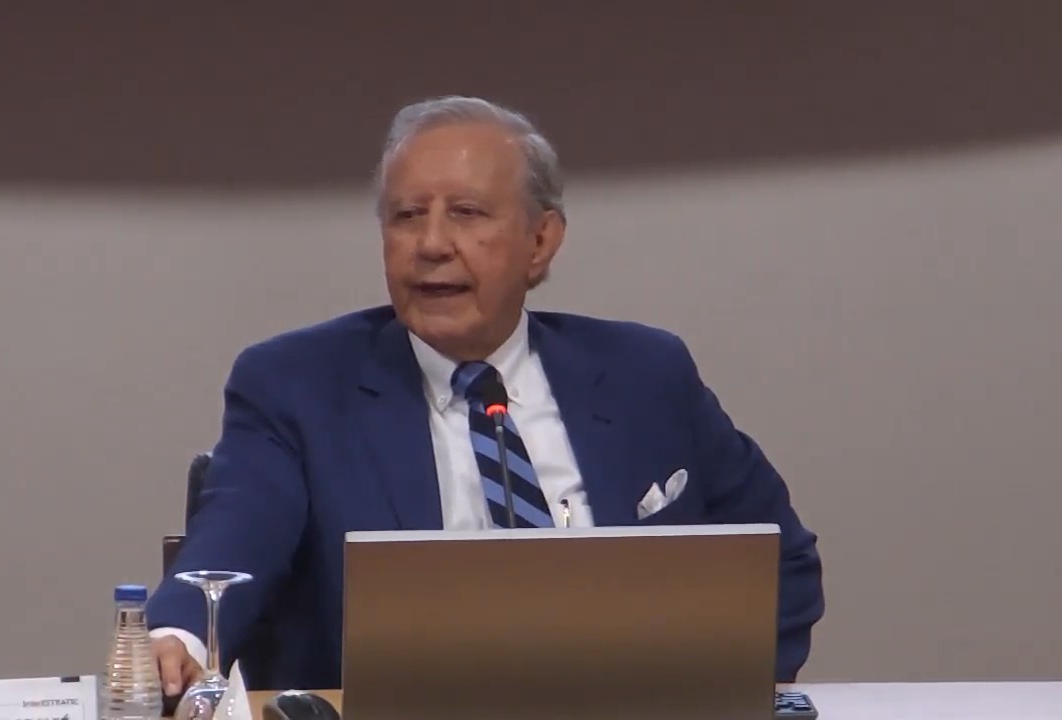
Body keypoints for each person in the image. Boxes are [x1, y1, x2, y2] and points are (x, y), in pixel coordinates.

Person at [145, 95, 824, 694]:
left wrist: (727, 693)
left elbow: (777, 560)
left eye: (466, 214)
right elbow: (238, 534)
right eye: (407, 216)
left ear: (540, 241)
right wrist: (179, 638)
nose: (431, 244)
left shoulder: (646, 375)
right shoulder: (296, 384)